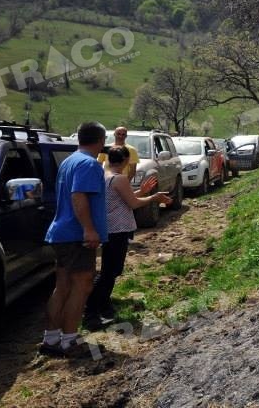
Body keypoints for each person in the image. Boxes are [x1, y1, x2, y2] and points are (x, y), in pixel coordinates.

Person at [39, 121, 108, 358]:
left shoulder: (69, 161)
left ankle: (51, 339)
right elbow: (79, 196)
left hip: (62, 233)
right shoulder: (89, 164)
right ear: (101, 140)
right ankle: (69, 341)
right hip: (76, 235)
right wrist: (89, 229)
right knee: (82, 284)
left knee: (63, 285)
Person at [85, 146, 171, 327]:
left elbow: (122, 198)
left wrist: (143, 191)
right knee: (110, 271)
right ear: (125, 160)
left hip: (110, 228)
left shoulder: (105, 175)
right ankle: (91, 312)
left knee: (111, 270)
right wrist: (154, 197)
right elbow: (132, 203)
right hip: (118, 229)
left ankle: (103, 306)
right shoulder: (120, 178)